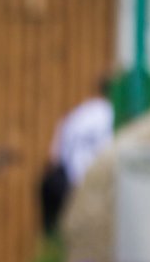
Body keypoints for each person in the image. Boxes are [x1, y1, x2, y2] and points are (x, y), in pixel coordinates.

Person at [40, 78, 115, 236]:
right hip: (87, 189)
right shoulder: (111, 115)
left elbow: (54, 157)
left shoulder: (80, 112)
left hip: (59, 184)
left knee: (57, 242)